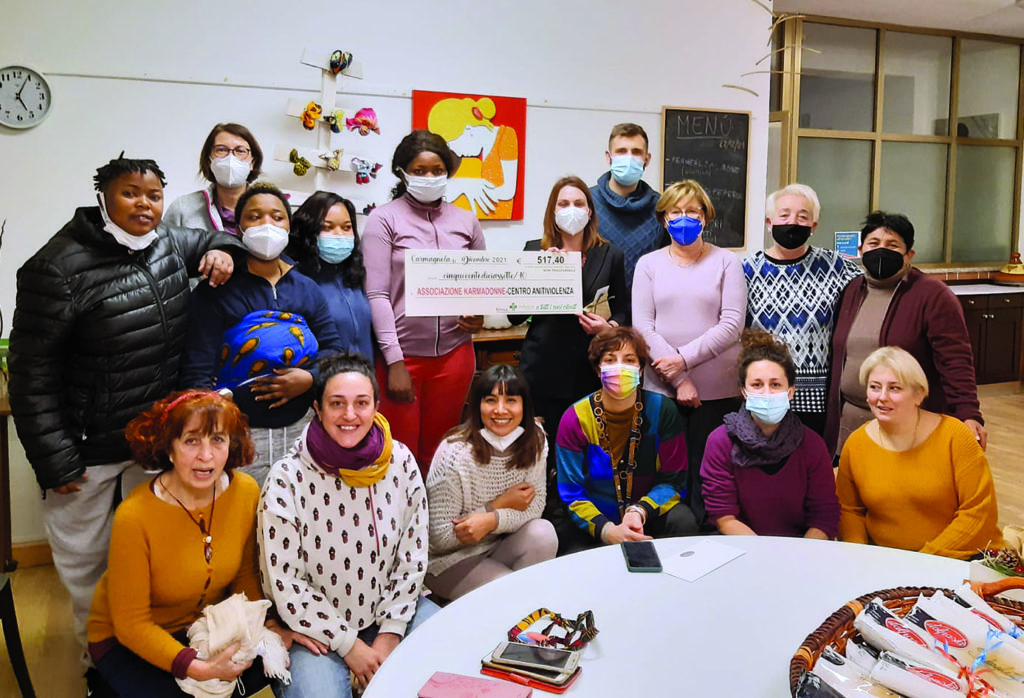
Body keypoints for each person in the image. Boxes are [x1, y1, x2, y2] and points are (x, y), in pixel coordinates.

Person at [7, 155, 241, 658]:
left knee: (154, 558)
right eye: (130, 193)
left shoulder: (168, 244)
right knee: (88, 566)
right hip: (84, 448)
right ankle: (101, 664)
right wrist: (54, 459)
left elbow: (221, 239)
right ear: (103, 199)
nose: (144, 204)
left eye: (154, 195)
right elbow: (32, 371)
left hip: (155, 442)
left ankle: (153, 652)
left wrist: (223, 250)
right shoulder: (56, 266)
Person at [87, 391, 309, 697]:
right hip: (126, 640)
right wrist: (199, 668)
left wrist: (266, 625)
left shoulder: (245, 491)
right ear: (168, 448)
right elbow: (131, 624)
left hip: (205, 626)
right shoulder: (134, 516)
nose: (206, 456)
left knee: (279, 666)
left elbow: (245, 576)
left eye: (217, 440)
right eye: (191, 440)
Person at [259, 353, 437, 698]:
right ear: (318, 408)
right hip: (316, 629)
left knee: (454, 661)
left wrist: (391, 632)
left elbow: (413, 556)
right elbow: (285, 582)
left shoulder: (400, 461)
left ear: (376, 406)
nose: (350, 415)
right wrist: (349, 645)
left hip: (393, 613)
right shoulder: (287, 478)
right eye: (337, 403)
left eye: (361, 403)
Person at [179, 182, 344, 485]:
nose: (266, 224)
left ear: (288, 225)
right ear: (238, 228)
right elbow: (197, 368)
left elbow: (333, 349)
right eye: (254, 217)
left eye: (277, 217)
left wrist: (310, 378)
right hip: (237, 432)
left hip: (301, 429)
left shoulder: (307, 288)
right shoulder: (217, 289)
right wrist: (212, 435)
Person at [362, 129, 486, 473]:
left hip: (455, 356)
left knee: (440, 454)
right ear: (402, 172)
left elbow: (479, 285)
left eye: (437, 170)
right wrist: (394, 361)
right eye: (419, 170)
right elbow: (377, 294)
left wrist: (477, 316)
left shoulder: (466, 220)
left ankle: (434, 526)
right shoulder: (383, 219)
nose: (429, 177)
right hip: (402, 357)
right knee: (396, 454)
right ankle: (395, 525)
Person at [509, 176, 629, 519]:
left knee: (585, 450)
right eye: (564, 204)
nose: (571, 210)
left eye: (579, 204)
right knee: (540, 451)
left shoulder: (610, 254)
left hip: (588, 371)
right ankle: (542, 520)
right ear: (552, 211)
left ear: (590, 211)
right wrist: (541, 274)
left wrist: (609, 328)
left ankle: (585, 517)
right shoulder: (534, 250)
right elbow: (517, 313)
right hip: (542, 368)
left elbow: (624, 308)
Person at [632, 179, 746, 526]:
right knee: (667, 470)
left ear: (705, 217)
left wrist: (683, 360)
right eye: (675, 212)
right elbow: (643, 327)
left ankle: (713, 539)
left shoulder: (727, 262)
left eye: (692, 212)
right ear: (664, 218)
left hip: (718, 390)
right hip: (662, 388)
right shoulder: (648, 264)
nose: (684, 218)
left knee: (711, 475)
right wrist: (680, 378)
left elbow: (732, 325)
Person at [826, 211, 985, 457]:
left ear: (909, 254)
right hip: (850, 424)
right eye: (874, 243)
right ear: (861, 250)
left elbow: (956, 361)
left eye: (893, 245)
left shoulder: (933, 296)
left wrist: (968, 413)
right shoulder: (852, 291)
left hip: (908, 427)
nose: (881, 250)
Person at [837, 347, 1002, 560]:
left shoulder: (955, 436)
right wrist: (859, 555)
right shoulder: (856, 443)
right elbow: (849, 510)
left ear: (919, 394)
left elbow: (979, 512)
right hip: (887, 560)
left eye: (895, 388)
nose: (882, 397)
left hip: (960, 559)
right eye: (874, 387)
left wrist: (924, 561)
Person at [555, 327, 698, 554]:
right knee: (566, 541)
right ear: (597, 369)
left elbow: (674, 481)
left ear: (641, 369)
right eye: (610, 360)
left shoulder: (663, 410)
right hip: (596, 519)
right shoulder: (575, 418)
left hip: (647, 514)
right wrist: (607, 530)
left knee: (683, 520)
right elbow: (571, 492)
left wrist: (639, 511)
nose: (619, 367)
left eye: (629, 360)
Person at [425, 365, 558, 600]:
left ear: (524, 406)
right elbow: (439, 539)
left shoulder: (534, 437)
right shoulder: (455, 453)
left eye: (511, 400)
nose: (500, 410)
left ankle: (500, 615)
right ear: (477, 406)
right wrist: (498, 504)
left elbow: (535, 509)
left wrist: (491, 520)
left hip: (498, 544)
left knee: (544, 533)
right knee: (516, 593)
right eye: (490, 400)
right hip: (448, 561)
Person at [743, 184, 861, 435]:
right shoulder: (746, 270)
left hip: (816, 399)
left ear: (813, 227)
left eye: (802, 217)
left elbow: (873, 286)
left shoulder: (836, 265)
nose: (792, 223)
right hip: (764, 394)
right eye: (784, 215)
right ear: (769, 222)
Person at [701, 330, 839, 539]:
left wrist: (798, 560)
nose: (766, 393)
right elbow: (723, 515)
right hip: (742, 549)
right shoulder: (720, 442)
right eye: (757, 385)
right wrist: (765, 558)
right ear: (744, 392)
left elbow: (824, 517)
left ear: (790, 392)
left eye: (775, 385)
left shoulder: (812, 445)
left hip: (800, 551)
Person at [287, 191, 373, 359]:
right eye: (327, 227)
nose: (339, 234)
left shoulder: (358, 275)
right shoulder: (295, 282)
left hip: (364, 378)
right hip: (321, 380)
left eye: (346, 227)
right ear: (309, 231)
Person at [590, 122, 664, 287]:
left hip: (646, 309)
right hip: (595, 310)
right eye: (621, 151)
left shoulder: (661, 207)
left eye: (636, 152)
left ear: (647, 159)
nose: (629, 158)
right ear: (608, 157)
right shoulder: (586, 202)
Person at [164, 122, 263, 236]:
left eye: (240, 151)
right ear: (209, 160)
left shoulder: (271, 209)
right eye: (221, 150)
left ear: (252, 163)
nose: (231, 158)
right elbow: (162, 250)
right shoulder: (183, 208)